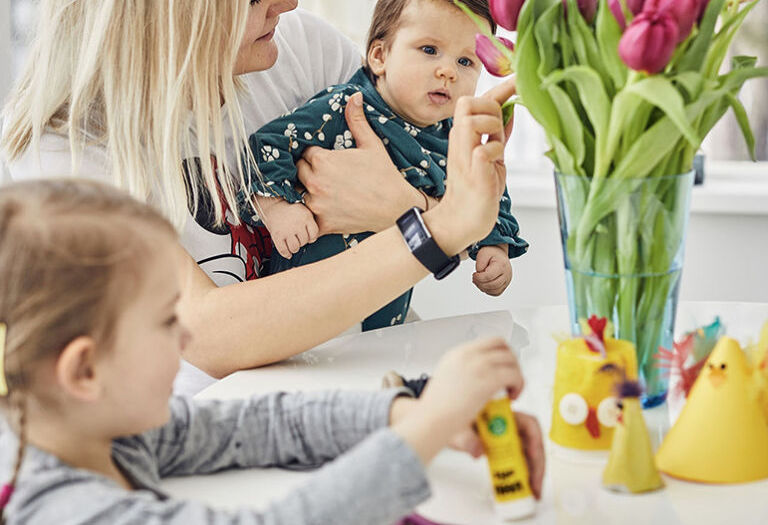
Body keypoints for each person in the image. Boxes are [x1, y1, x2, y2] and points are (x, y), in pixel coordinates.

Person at [0, 0, 519, 389]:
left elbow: (421, 170)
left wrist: (410, 205)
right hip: (220, 429)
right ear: (168, 12)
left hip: (374, 374)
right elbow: (206, 336)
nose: (288, 1)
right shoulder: (65, 148)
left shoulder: (302, 51)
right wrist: (429, 228)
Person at [0, 179, 545, 524]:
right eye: (166, 322)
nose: (186, 338)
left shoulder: (101, 436)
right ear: (85, 370)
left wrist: (411, 413)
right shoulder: (62, 510)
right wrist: (427, 429)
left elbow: (263, 425)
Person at [245, 0, 528, 330]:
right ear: (379, 56)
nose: (448, 72)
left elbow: (488, 193)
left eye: (465, 61)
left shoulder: (459, 135)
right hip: (300, 307)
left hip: (383, 318)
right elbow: (267, 145)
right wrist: (278, 208)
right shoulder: (346, 106)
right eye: (429, 50)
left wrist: (495, 247)